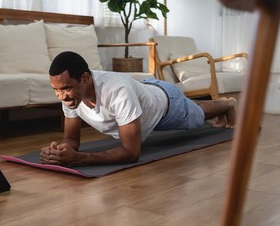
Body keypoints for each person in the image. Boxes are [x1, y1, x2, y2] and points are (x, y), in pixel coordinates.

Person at [40, 51, 237, 166]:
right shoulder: (69, 94)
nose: (61, 96)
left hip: (167, 104)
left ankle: (227, 103)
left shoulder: (116, 90)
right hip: (144, 91)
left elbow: (131, 152)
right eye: (56, 90)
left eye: (66, 88)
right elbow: (71, 139)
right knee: (195, 109)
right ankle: (224, 103)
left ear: (84, 78)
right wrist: (60, 150)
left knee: (198, 114)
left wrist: (78, 159)